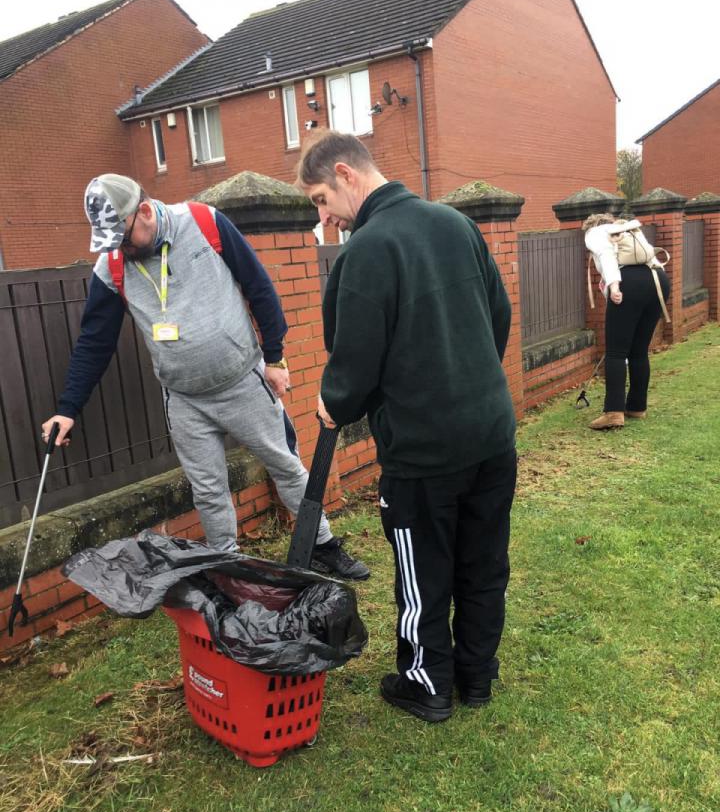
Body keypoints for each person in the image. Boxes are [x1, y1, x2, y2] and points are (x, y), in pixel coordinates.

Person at [41, 174, 369, 581]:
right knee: (208, 490)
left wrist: (275, 359)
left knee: (286, 467)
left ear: (144, 211)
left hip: (243, 382)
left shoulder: (202, 222)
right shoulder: (111, 265)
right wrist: (68, 409)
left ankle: (323, 545)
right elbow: (94, 342)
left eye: (123, 238)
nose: (118, 249)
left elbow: (259, 287)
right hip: (184, 399)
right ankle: (226, 566)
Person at [297, 131, 517, 723]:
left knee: (425, 569)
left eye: (320, 199)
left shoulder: (366, 251)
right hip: (492, 433)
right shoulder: (455, 224)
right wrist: (466, 378)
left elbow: (354, 359)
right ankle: (476, 677)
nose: (324, 217)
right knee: (483, 560)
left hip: (424, 451)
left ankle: (427, 684)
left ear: (346, 174)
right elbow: (498, 317)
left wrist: (334, 404)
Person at [583, 213, 670, 430]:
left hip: (627, 284)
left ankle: (613, 412)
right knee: (639, 350)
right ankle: (637, 407)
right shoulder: (628, 230)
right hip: (658, 281)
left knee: (616, 352)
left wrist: (614, 286)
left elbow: (605, 256)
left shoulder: (595, 233)